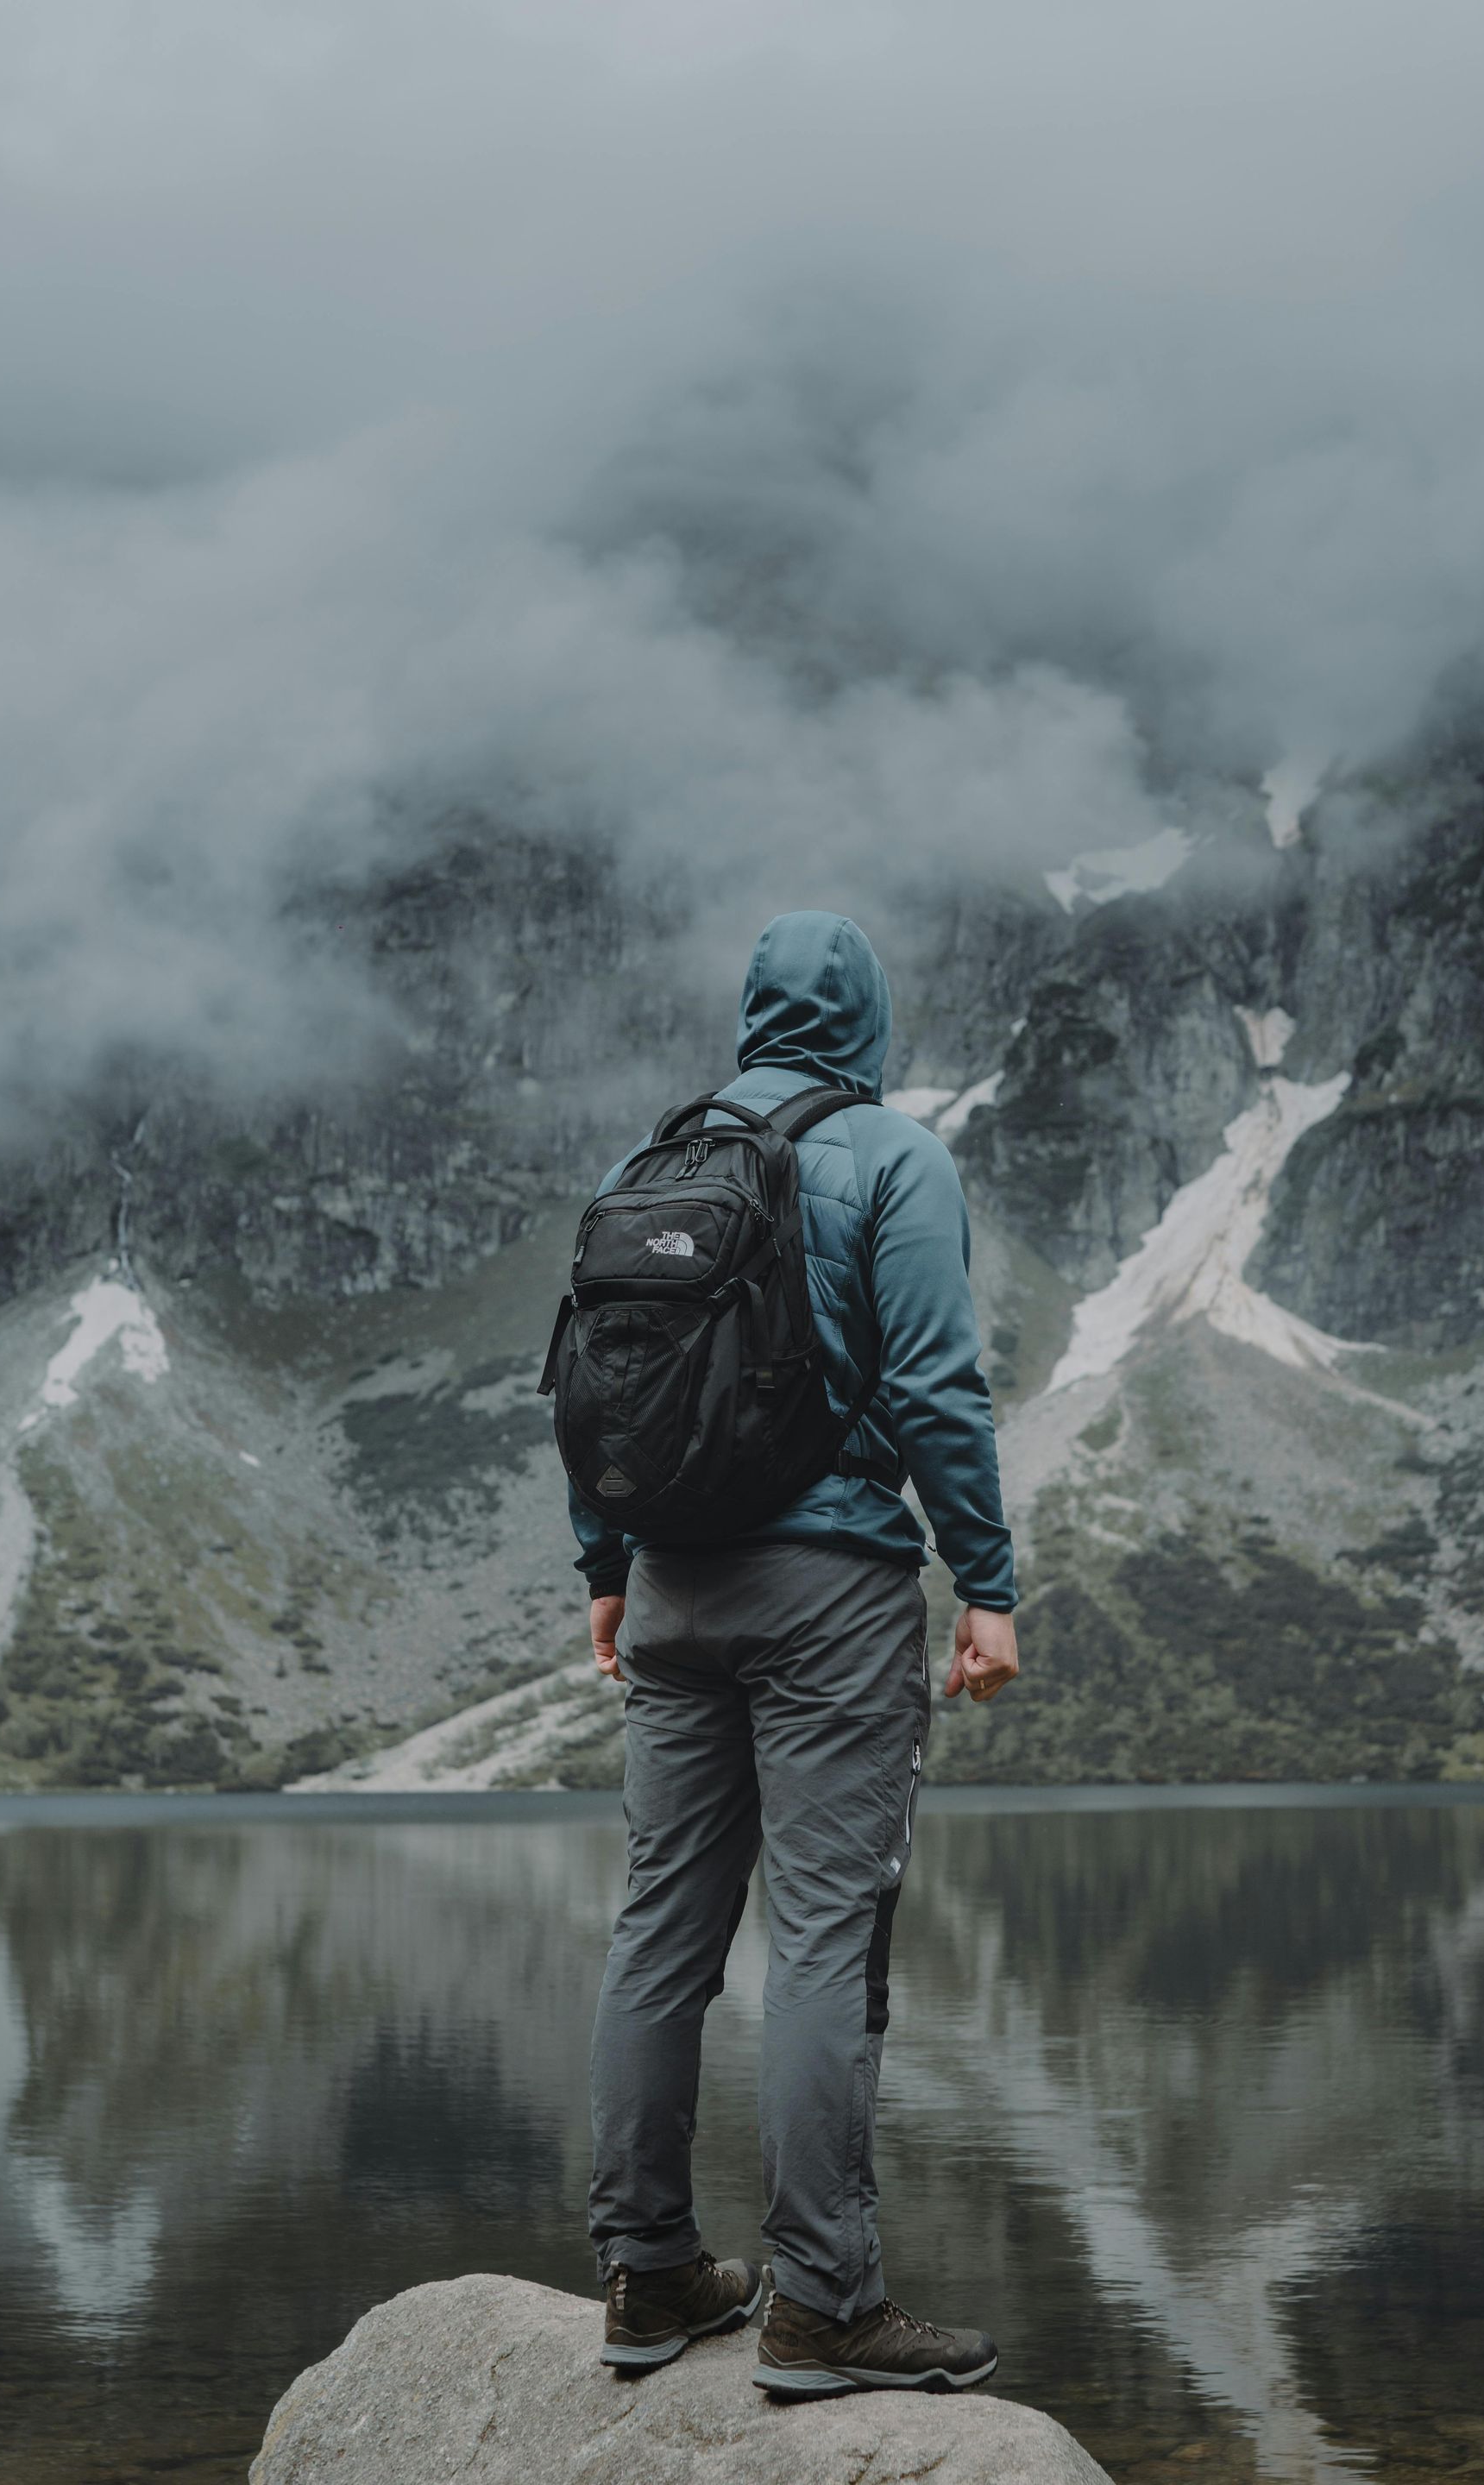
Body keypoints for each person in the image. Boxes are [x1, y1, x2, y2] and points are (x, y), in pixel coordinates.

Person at [573, 909, 1020, 2398]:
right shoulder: (895, 1156)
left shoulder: (656, 1166)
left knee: (659, 1936)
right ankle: (822, 2305)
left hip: (674, 1592)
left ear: (754, 1016)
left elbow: (592, 1385)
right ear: (869, 1021)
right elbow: (939, 1385)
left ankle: (646, 2277)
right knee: (823, 1940)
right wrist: (988, 1582)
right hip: (828, 1593)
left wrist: (605, 1571)